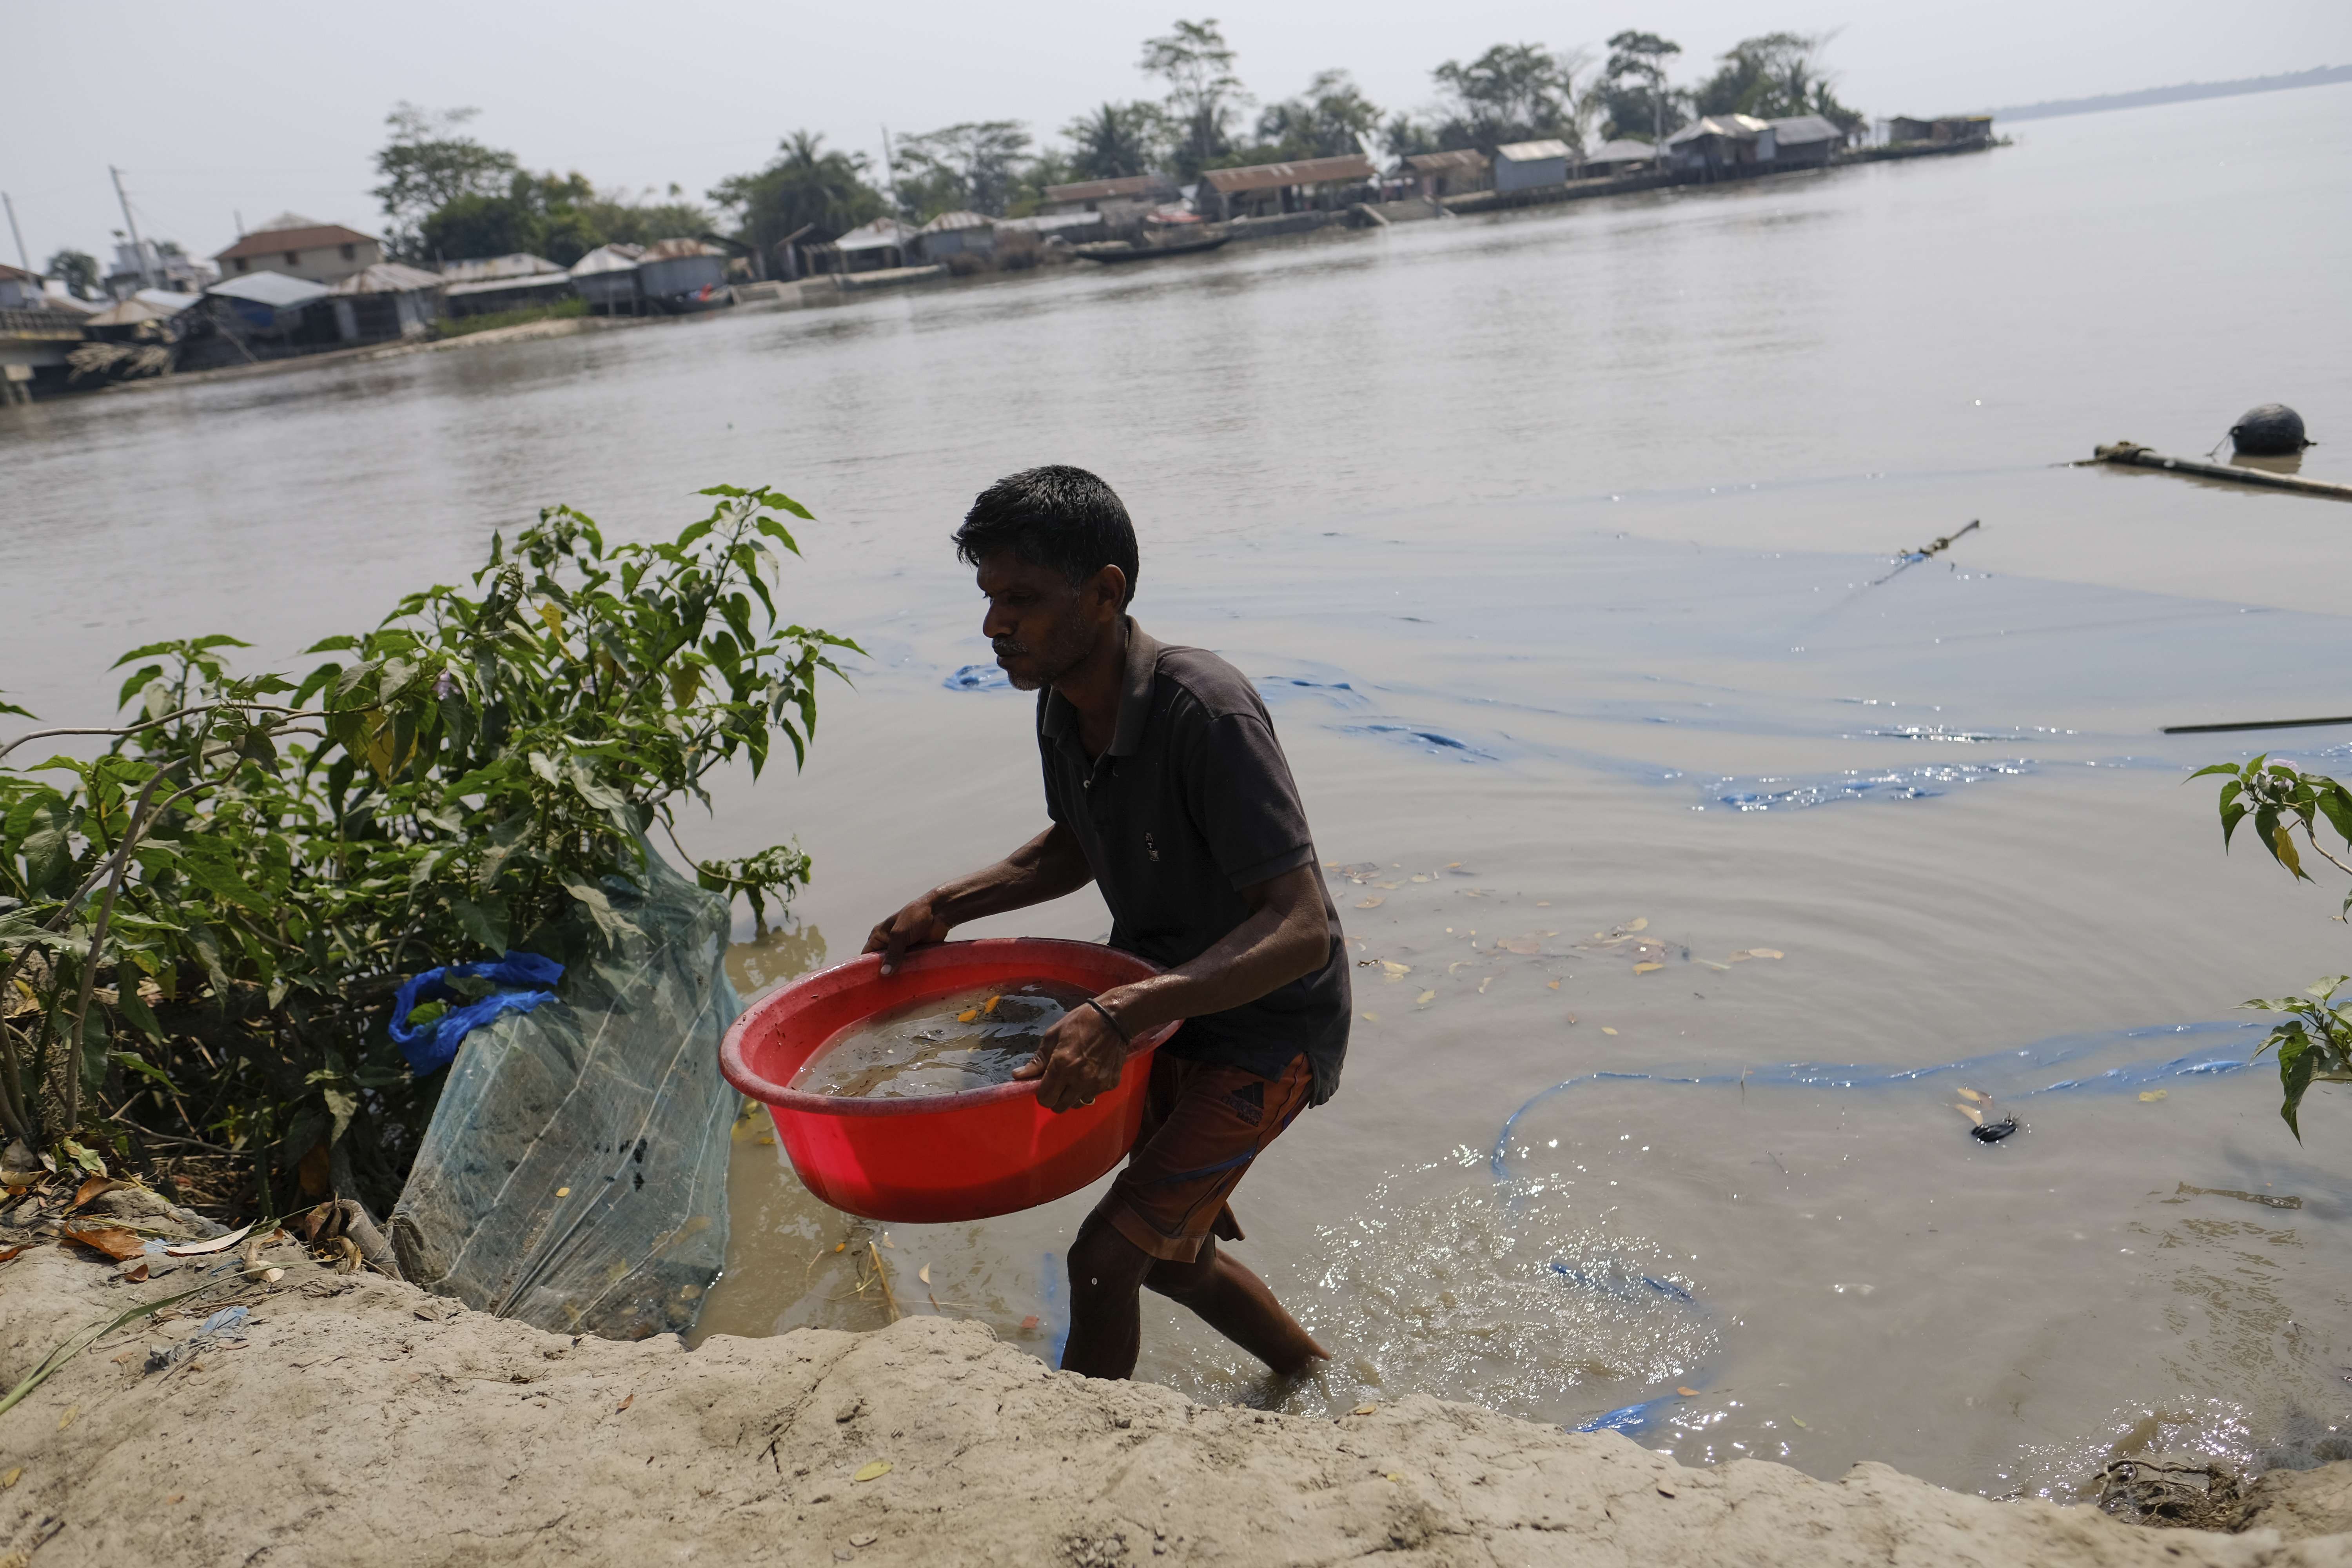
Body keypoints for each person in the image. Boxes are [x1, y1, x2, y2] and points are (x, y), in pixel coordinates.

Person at [864, 465, 1351, 1382]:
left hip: (1269, 1026)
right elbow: (1073, 847)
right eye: (988, 597)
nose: (994, 624)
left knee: (1104, 1259)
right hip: (1173, 1004)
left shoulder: (1206, 710)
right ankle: (1312, 1377)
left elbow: (1301, 929)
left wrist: (1121, 1014)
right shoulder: (1064, 702)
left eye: (1022, 598)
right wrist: (946, 905)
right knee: (1172, 1258)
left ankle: (1077, 1447)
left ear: (1107, 591)